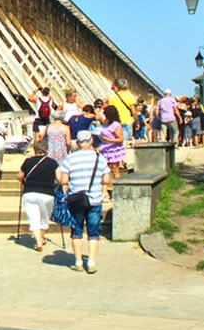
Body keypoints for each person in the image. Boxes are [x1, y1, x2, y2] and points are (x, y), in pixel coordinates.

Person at [59, 130, 111, 274]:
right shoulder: (99, 158)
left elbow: (63, 180)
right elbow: (107, 179)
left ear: (77, 143)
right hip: (94, 199)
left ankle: (78, 261)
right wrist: (103, 189)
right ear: (91, 141)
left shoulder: (70, 158)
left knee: (76, 230)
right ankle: (92, 262)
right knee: (94, 232)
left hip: (76, 199)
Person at [17, 139, 60, 252]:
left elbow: (19, 177)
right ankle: (41, 237)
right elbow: (60, 179)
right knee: (45, 218)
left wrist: (25, 181)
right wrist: (56, 185)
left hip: (30, 192)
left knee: (33, 219)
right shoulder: (52, 162)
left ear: (35, 149)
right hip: (47, 193)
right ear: (46, 149)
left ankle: (38, 242)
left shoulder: (28, 161)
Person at [98, 105, 126, 178]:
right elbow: (98, 118)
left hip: (113, 149)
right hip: (104, 149)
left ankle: (119, 187)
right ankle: (105, 187)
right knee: (103, 170)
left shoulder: (116, 125)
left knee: (115, 170)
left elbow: (121, 139)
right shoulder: (105, 122)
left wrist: (109, 140)